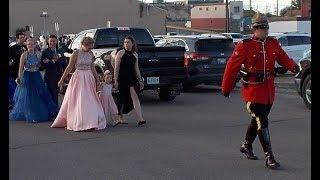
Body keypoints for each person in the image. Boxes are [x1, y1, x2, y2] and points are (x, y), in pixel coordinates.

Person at [221, 13, 300, 169]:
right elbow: (231, 68)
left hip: (268, 92)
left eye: (267, 27)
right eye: (262, 28)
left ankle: (246, 145)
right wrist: (226, 87)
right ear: (255, 29)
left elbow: (283, 58)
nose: (266, 31)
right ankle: (269, 156)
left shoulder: (273, 43)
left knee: (256, 121)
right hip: (253, 91)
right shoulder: (245, 45)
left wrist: (294, 67)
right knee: (262, 122)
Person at [51, 36, 106, 131]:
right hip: (79, 78)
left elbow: (92, 67)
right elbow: (69, 67)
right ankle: (81, 121)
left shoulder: (90, 53)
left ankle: (91, 121)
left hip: (89, 78)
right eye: (89, 47)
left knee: (90, 100)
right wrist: (62, 79)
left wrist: (97, 79)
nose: (90, 49)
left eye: (91, 47)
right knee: (80, 100)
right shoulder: (76, 53)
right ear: (84, 45)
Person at [9, 38, 58, 122]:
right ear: (26, 45)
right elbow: (20, 68)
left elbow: (41, 66)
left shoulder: (39, 54)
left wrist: (46, 62)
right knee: (27, 95)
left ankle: (37, 112)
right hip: (27, 76)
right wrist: (19, 78)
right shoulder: (24, 55)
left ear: (35, 45)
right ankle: (29, 113)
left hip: (36, 76)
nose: (30, 45)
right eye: (29, 44)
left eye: (32, 44)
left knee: (38, 94)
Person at [114, 36, 146, 126]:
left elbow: (136, 69)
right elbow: (116, 68)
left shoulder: (135, 54)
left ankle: (140, 118)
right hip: (122, 78)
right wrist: (115, 80)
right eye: (124, 42)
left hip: (131, 78)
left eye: (128, 42)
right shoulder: (120, 53)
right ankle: (120, 118)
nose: (126, 44)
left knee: (135, 96)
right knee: (121, 98)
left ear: (132, 43)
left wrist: (140, 80)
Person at [40, 34, 67, 106]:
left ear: (56, 41)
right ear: (48, 42)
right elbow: (42, 66)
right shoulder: (45, 52)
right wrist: (52, 61)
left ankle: (54, 107)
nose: (52, 43)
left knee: (56, 93)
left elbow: (64, 63)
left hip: (59, 76)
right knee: (52, 93)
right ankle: (54, 110)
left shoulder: (60, 51)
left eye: (54, 41)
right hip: (50, 77)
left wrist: (65, 74)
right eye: (51, 41)